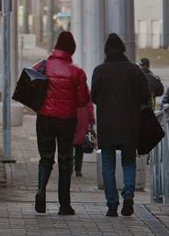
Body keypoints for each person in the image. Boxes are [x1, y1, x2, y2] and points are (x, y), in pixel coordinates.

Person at [91, 33, 152, 217]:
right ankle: (128, 193)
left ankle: (111, 204)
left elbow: (94, 97)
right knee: (128, 160)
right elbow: (145, 96)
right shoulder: (135, 70)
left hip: (107, 124)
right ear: (123, 50)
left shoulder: (100, 70)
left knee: (108, 163)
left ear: (106, 51)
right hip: (130, 123)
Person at [31, 30, 89, 216]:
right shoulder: (77, 72)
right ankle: (64, 205)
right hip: (67, 121)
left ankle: (41, 191)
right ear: (71, 50)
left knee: (45, 157)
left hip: (44, 118)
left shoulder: (41, 65)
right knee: (65, 160)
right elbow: (82, 101)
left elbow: (29, 85)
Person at [72, 90, 96, 178]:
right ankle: (78, 170)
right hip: (83, 118)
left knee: (69, 143)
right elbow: (90, 107)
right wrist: (92, 121)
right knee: (79, 145)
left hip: (70, 115)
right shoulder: (85, 91)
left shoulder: (68, 88)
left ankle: (69, 163)